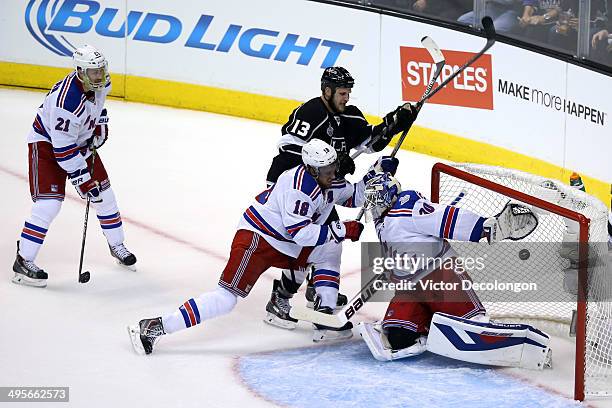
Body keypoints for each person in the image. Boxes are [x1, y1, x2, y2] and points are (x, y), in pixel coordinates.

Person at [128, 140, 397, 354]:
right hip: (258, 239)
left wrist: (377, 171)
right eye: (327, 171)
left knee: (329, 250)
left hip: (284, 243)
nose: (333, 174)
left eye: (333, 168)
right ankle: (155, 326)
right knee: (226, 299)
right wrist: (341, 229)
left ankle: (324, 316)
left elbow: (355, 194)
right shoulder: (297, 189)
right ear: (313, 170)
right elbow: (301, 233)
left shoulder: (326, 178)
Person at [264, 66, 417, 327]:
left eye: (348, 93)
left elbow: (369, 142)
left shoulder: (349, 115)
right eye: (342, 93)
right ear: (327, 91)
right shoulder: (311, 112)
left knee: (326, 244)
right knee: (309, 243)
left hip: (322, 189)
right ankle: (280, 298)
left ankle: (317, 290)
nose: (346, 98)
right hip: (291, 189)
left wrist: (393, 124)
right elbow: (288, 148)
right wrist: (329, 163)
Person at [357, 172, 542, 364]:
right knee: (397, 339)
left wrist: (482, 228)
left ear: (390, 196)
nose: (374, 208)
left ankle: (525, 346)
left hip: (441, 278)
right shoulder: (382, 221)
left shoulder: (408, 205)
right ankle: (431, 323)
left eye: (376, 201)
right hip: (409, 289)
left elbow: (443, 218)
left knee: (474, 330)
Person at [12, 45, 136, 288]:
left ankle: (117, 245)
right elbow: (63, 150)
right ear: (80, 71)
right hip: (48, 146)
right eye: (94, 72)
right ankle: (23, 260)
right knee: (49, 205)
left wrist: (99, 125)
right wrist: (83, 180)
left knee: (105, 196)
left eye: (101, 70)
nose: (100, 76)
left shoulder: (100, 83)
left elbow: (99, 106)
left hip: (77, 142)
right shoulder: (66, 103)